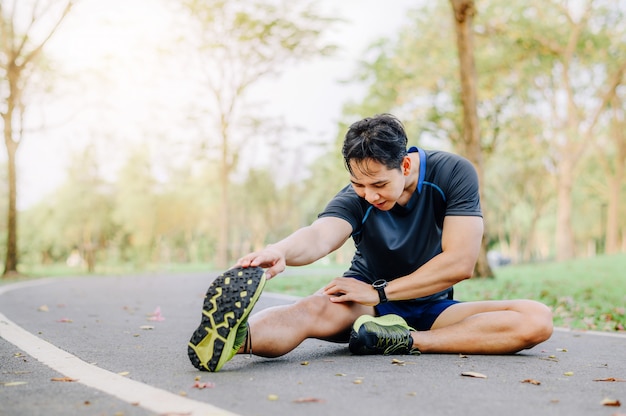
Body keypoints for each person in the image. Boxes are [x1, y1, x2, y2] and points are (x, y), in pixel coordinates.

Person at [188, 113, 554, 372]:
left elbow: (460, 263)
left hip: (431, 309)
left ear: (405, 166)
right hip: (364, 306)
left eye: (379, 184)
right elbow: (319, 236)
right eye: (358, 184)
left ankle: (402, 341)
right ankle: (233, 340)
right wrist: (279, 251)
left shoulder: (453, 173)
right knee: (308, 310)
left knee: (536, 319)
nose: (369, 194)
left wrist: (382, 292)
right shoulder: (357, 194)